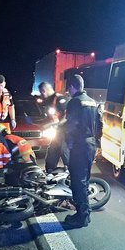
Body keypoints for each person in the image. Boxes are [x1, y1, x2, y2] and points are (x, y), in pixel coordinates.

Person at [63, 74, 103, 228]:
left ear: (72, 87)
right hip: (91, 145)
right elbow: (100, 124)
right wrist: (96, 142)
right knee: (84, 180)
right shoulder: (93, 102)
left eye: (69, 88)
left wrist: (69, 143)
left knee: (78, 182)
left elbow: (70, 125)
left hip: (79, 146)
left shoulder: (74, 102)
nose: (69, 91)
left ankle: (82, 217)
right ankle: (85, 213)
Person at [39, 81, 70, 172]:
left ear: (44, 90)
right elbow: (51, 117)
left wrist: (55, 124)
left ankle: (72, 173)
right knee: (52, 153)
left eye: (42, 92)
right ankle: (50, 171)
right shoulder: (49, 101)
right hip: (57, 132)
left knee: (64, 151)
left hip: (66, 132)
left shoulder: (61, 99)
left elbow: (67, 116)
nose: (42, 94)